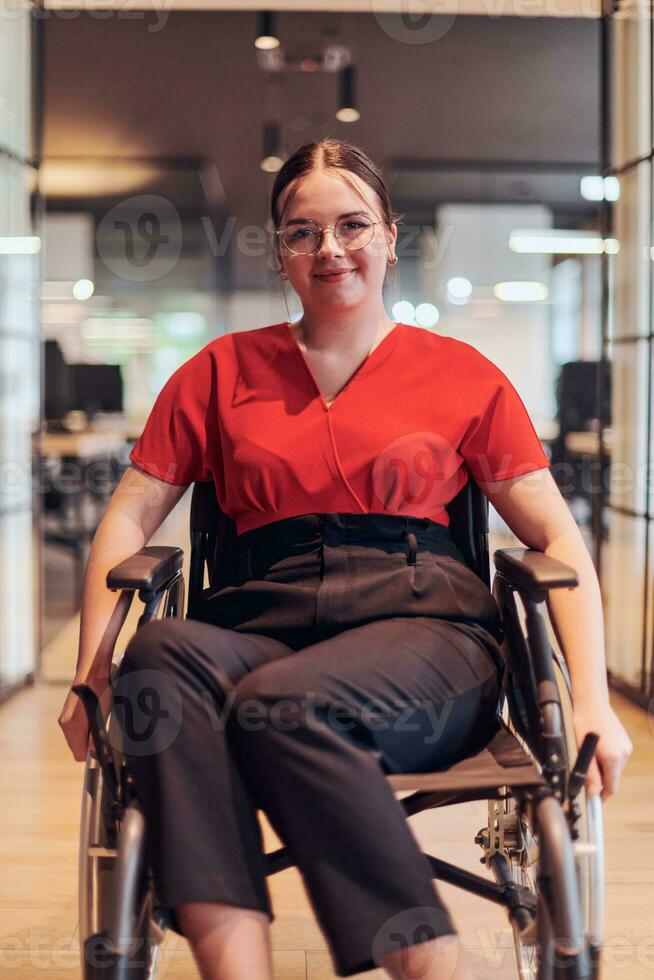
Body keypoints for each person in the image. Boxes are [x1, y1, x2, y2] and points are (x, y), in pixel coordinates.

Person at [59, 137, 632, 980]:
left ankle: (431, 968)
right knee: (163, 656)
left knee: (281, 701)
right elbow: (128, 517)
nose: (330, 249)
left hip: (423, 625)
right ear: (280, 251)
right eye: (303, 232)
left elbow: (557, 541)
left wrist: (592, 703)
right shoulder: (217, 373)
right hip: (263, 608)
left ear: (391, 237)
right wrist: (92, 670)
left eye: (352, 225)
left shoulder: (464, 375)